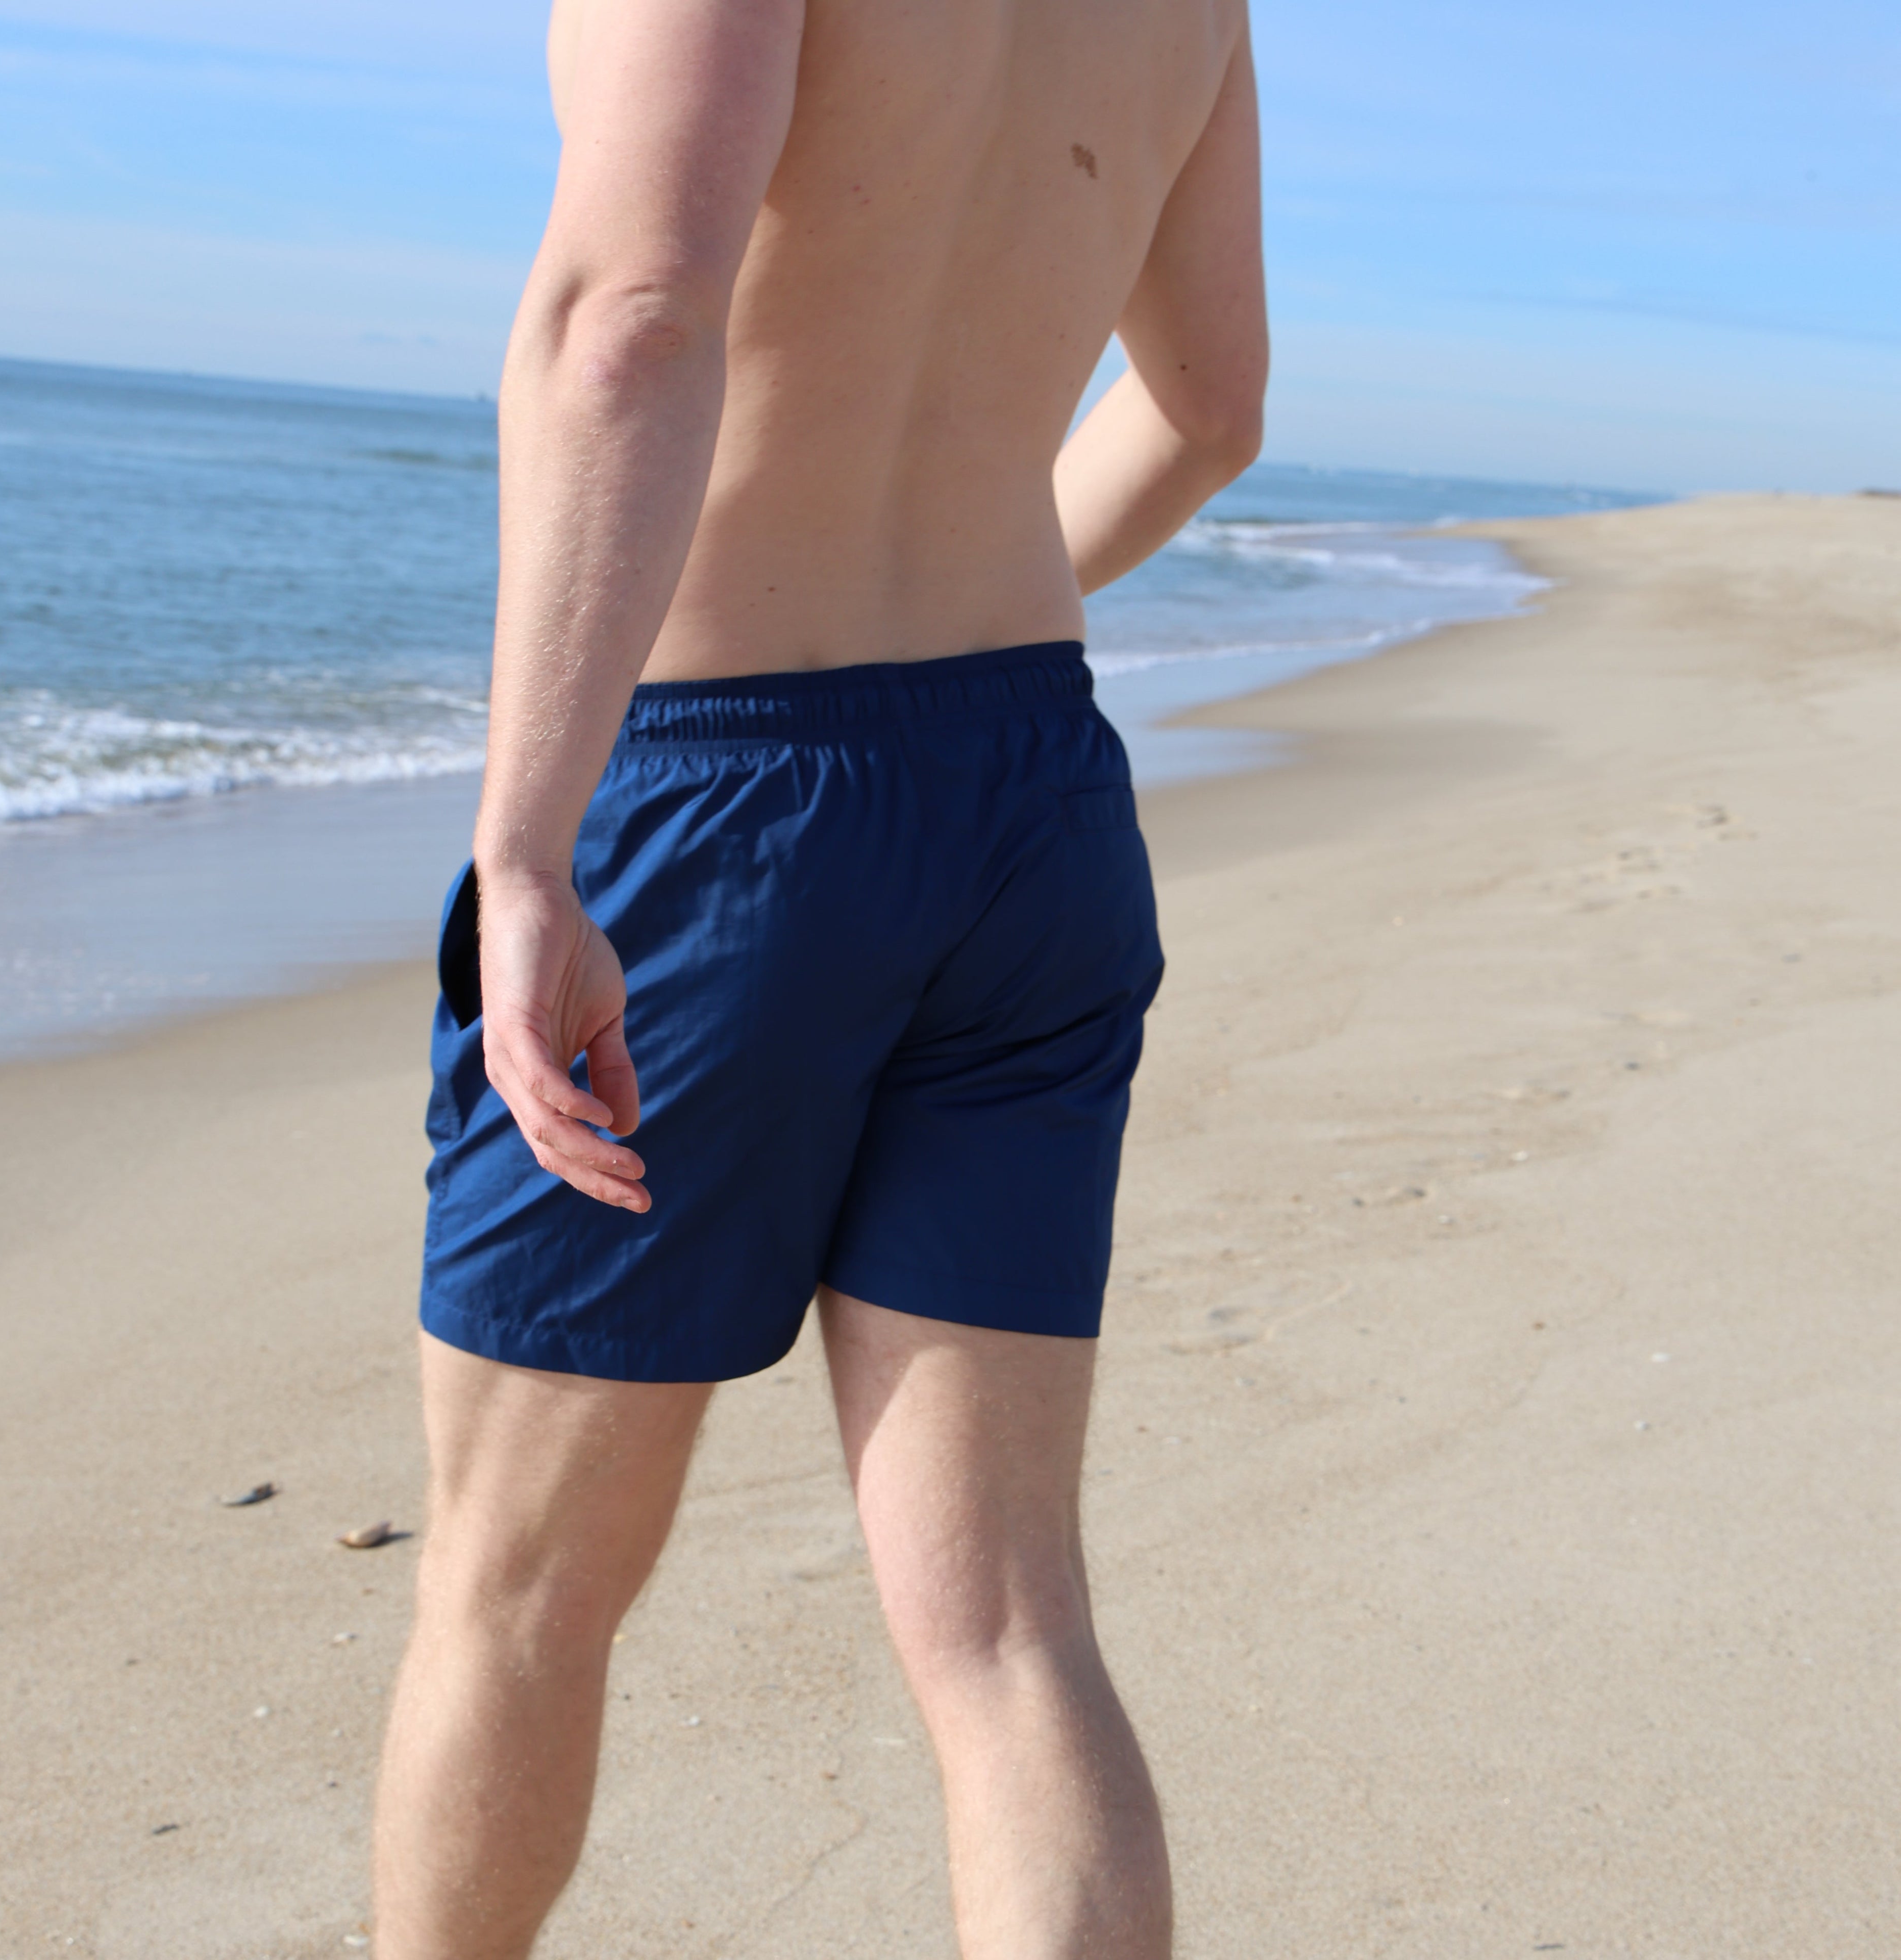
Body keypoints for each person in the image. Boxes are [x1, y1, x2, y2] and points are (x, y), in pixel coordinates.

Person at [372, 0, 1266, 1948]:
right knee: (1011, 1626)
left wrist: (525, 845)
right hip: (1031, 789)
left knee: (520, 1583)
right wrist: (944, 622)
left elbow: (633, 314)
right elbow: (1210, 412)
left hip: (716, 799)